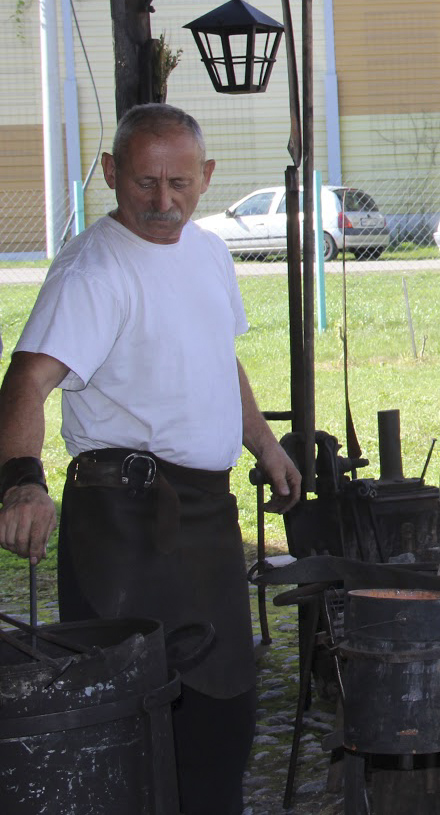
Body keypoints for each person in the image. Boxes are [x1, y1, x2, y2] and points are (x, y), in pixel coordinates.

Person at [0, 103, 302, 815]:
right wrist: (20, 484)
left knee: (224, 713)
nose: (163, 202)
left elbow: (216, 356)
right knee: (142, 722)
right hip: (123, 520)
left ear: (207, 177)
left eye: (179, 183)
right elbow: (26, 381)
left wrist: (264, 442)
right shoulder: (93, 270)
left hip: (207, 513)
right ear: (110, 173)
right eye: (143, 183)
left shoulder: (208, 252)